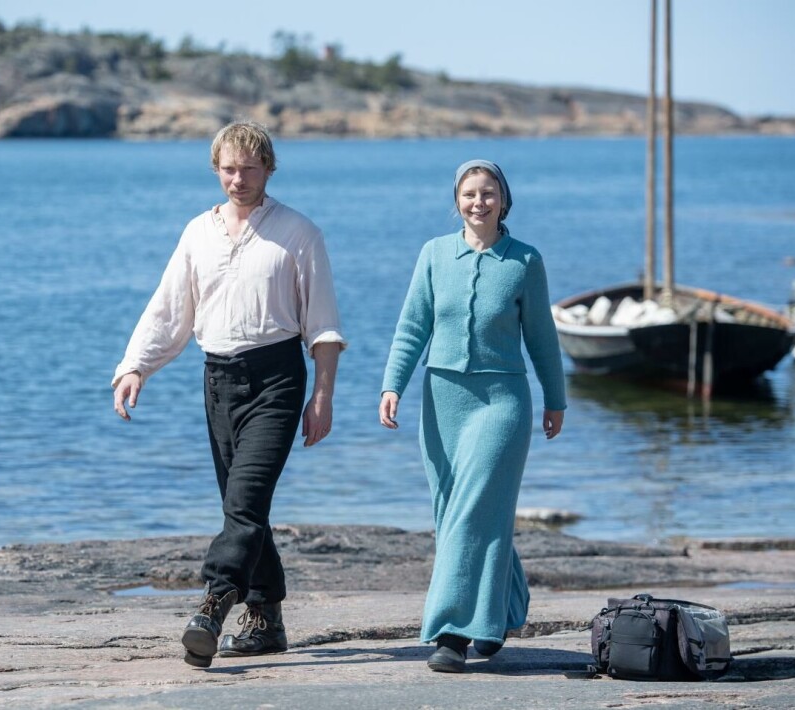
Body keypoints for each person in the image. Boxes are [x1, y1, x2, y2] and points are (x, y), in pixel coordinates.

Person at [112, 121, 345, 669]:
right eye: (228, 168)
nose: (238, 179)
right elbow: (170, 308)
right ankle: (266, 620)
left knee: (243, 503)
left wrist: (323, 396)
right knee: (246, 508)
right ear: (217, 169)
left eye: (249, 168)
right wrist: (135, 367)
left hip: (278, 380)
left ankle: (214, 604)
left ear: (269, 168)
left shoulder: (298, 233)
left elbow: (324, 326)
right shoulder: (198, 232)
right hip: (218, 380)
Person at [378, 159, 565, 673]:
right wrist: (392, 384)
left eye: (488, 193)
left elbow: (542, 338)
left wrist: (556, 397)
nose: (478, 202)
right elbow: (412, 326)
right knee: (457, 513)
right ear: (455, 201)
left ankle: (453, 632)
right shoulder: (434, 254)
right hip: (441, 401)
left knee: (471, 509)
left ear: (504, 200)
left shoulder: (525, 260)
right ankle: (502, 609)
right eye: (468, 194)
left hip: (503, 401)